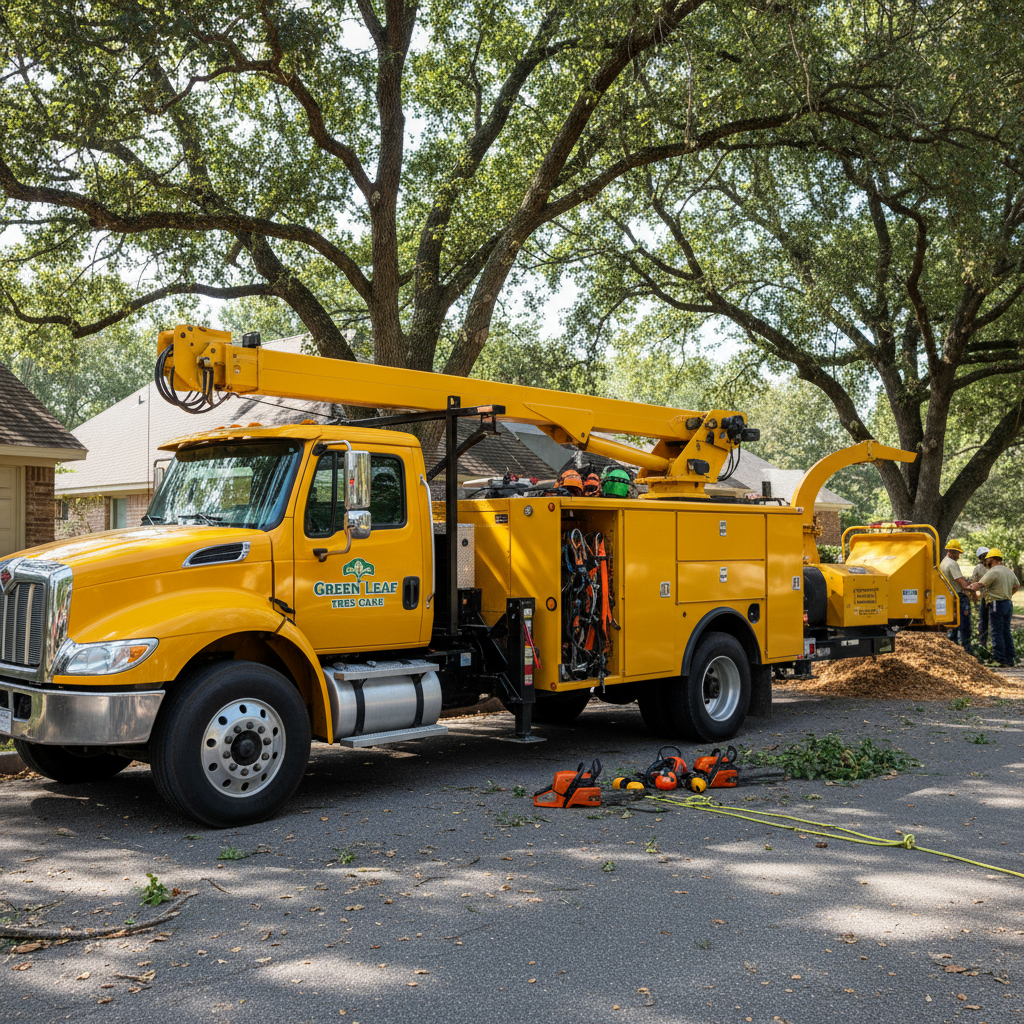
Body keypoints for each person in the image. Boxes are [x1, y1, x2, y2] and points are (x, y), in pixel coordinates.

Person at [967, 549, 1020, 668]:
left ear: (992, 559)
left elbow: (979, 584)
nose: (986, 561)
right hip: (1008, 604)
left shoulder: (993, 571)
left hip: (996, 604)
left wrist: (968, 588)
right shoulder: (1008, 571)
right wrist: (1007, 594)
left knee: (996, 632)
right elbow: (1017, 586)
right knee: (1006, 631)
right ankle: (1010, 659)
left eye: (987, 559)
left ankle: (999, 659)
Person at [940, 539, 971, 654]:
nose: (958, 556)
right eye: (957, 553)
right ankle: (966, 649)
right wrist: (971, 587)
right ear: (951, 552)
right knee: (964, 624)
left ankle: (953, 648)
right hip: (958, 596)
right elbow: (961, 582)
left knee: (954, 623)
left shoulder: (943, 562)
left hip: (949, 595)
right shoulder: (952, 564)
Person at [971, 547, 991, 649]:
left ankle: (997, 644)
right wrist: (974, 595)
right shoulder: (978, 568)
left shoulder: (995, 567)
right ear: (980, 558)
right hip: (984, 598)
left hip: (994, 598)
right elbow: (973, 583)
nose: (984, 559)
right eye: (982, 557)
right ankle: (983, 643)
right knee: (983, 621)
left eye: (986, 556)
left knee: (994, 621)